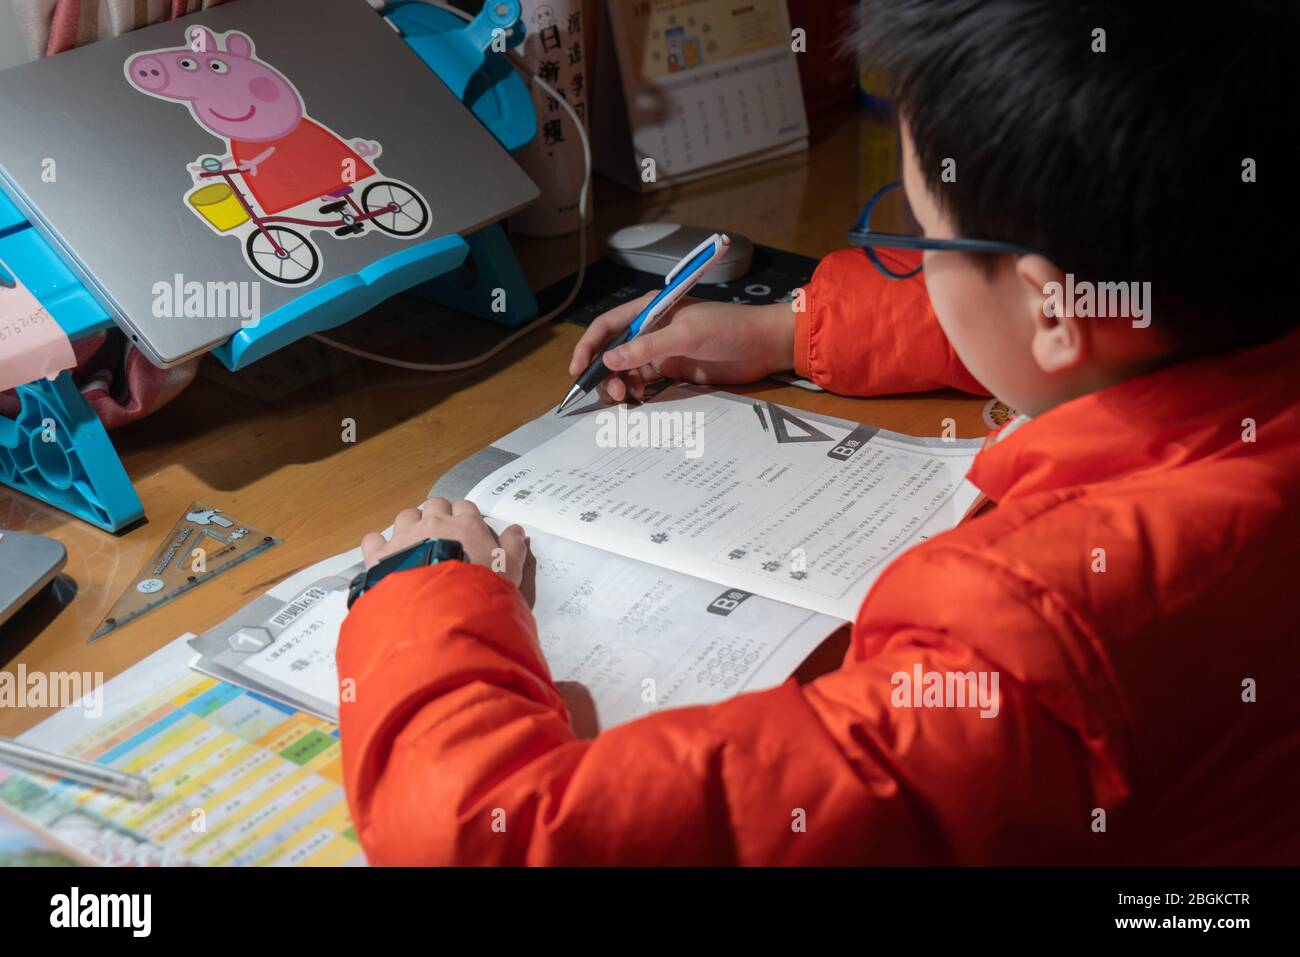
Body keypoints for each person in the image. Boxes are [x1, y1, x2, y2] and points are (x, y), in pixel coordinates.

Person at [336, 0, 1298, 864]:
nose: (915, 255)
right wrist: (793, 326)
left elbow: (495, 833)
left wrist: (420, 600)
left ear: (1054, 308)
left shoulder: (1028, 650)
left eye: (924, 234)